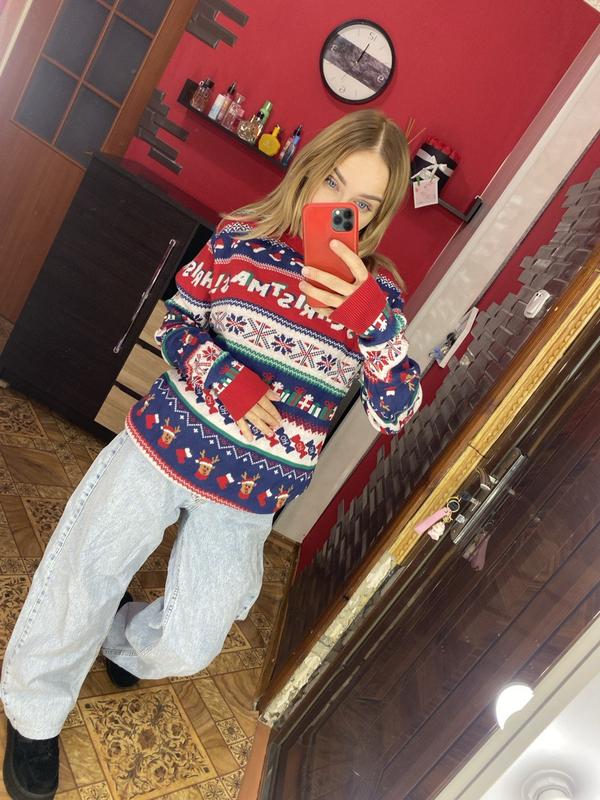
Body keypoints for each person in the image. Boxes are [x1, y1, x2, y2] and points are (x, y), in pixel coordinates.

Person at [0, 108, 422, 800]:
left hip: (248, 496)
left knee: (194, 640)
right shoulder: (241, 238)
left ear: (379, 214)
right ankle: (33, 712)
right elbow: (177, 324)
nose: (340, 207)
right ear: (311, 168)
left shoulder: (381, 301)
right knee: (84, 571)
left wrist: (371, 320)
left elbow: (395, 412)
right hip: (163, 444)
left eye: (365, 202)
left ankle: (121, 638)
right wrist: (225, 377)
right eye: (333, 181)